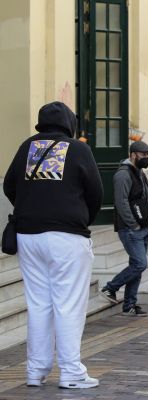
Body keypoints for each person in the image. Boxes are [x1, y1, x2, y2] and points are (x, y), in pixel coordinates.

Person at [4, 101, 103, 389]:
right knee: (68, 305)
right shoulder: (78, 148)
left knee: (38, 305)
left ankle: (35, 371)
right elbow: (96, 193)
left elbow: (9, 186)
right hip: (66, 237)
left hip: (28, 236)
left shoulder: (26, 147)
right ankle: (71, 372)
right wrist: (81, 217)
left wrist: (35, 208)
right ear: (69, 124)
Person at [100, 141, 148, 317]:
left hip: (144, 226)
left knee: (136, 267)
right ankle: (110, 288)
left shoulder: (140, 173)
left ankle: (130, 304)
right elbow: (121, 202)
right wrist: (134, 224)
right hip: (132, 229)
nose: (146, 158)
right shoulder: (123, 174)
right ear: (133, 155)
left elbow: (146, 198)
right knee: (140, 264)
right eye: (143, 155)